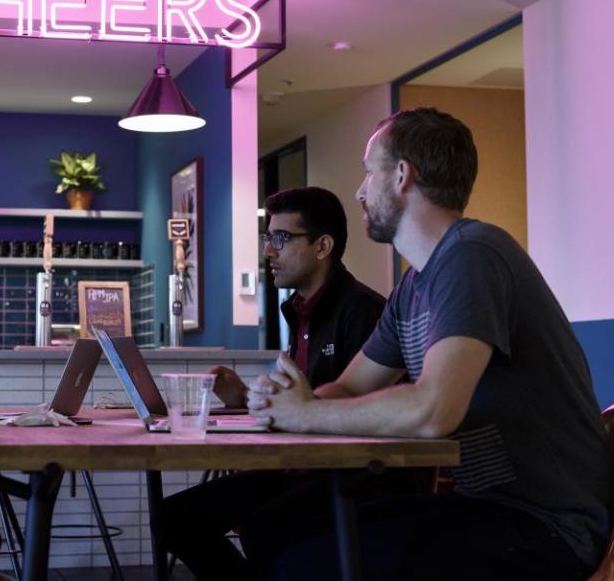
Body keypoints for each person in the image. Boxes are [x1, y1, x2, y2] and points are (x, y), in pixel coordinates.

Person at [249, 107, 611, 581]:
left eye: (368, 170)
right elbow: (350, 387)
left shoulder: (474, 255)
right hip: (487, 508)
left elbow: (434, 409)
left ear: (402, 175)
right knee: (276, 532)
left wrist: (304, 414)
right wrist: (282, 403)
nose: (359, 190)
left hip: (547, 526)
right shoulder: (414, 284)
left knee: (305, 566)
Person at [156, 187, 393, 581]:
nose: (268, 251)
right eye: (268, 238)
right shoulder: (300, 311)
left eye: (280, 238)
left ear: (323, 246)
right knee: (173, 517)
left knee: (265, 530)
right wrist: (245, 400)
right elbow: (304, 403)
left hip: (348, 473)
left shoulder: (364, 312)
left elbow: (364, 414)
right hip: (298, 467)